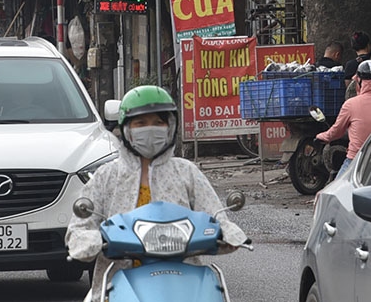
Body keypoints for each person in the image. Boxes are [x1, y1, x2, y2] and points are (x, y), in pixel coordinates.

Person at [67, 85, 248, 302]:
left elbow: (216, 217)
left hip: (186, 280)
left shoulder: (186, 171)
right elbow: (78, 229)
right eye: (141, 123)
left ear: (170, 127)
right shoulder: (107, 176)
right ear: (126, 128)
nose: (150, 129)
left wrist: (228, 233)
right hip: (116, 282)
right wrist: (93, 239)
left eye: (158, 123)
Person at [313, 59, 371, 180]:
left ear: (360, 82)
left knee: (336, 193)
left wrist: (322, 136)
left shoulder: (350, 104)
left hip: (356, 160)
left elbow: (337, 131)